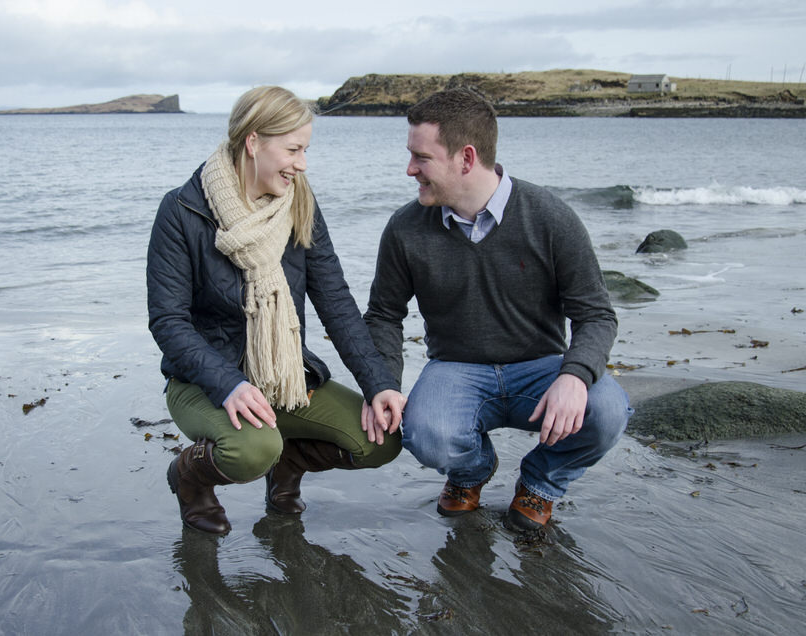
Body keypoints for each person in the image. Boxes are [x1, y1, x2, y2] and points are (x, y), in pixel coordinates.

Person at [363, 87, 631, 532]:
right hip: (456, 368)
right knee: (425, 433)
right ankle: (471, 472)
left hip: (541, 369)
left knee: (606, 412)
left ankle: (540, 482)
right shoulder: (405, 228)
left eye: (421, 158)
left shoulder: (550, 217)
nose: (410, 169)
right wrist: (383, 384)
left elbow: (597, 315)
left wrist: (574, 375)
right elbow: (384, 315)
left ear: (466, 158)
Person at [147, 86, 406, 535]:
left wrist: (378, 382)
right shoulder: (182, 210)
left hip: (284, 377)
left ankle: (288, 461)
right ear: (253, 142)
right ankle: (191, 478)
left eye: (304, 150)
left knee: (381, 441)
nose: (301, 163)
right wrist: (228, 384)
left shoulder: (299, 203)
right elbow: (168, 322)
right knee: (250, 450)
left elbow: (336, 301)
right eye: (293, 149)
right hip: (204, 384)